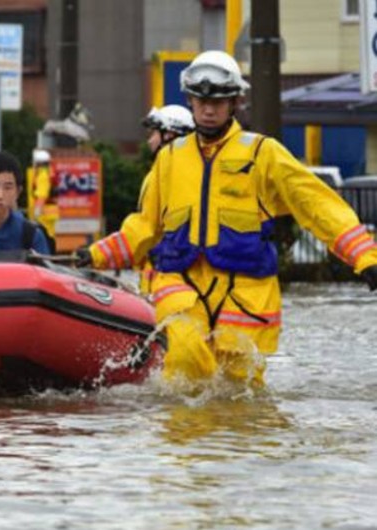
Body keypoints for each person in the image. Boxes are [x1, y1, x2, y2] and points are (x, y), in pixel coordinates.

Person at [76, 50, 377, 389]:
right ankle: (183, 442)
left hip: (245, 293)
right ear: (190, 100)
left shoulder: (263, 153)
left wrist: (365, 257)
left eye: (218, 101)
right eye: (201, 100)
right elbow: (145, 226)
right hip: (183, 284)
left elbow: (318, 205)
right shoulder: (170, 159)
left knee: (239, 390)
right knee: (186, 363)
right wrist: (95, 254)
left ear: (235, 102)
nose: (208, 109)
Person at [135, 105, 196, 295]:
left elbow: (146, 227)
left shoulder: (175, 175)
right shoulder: (160, 172)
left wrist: (102, 254)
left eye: (154, 133)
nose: (149, 140)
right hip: (157, 272)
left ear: (169, 135)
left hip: (168, 275)